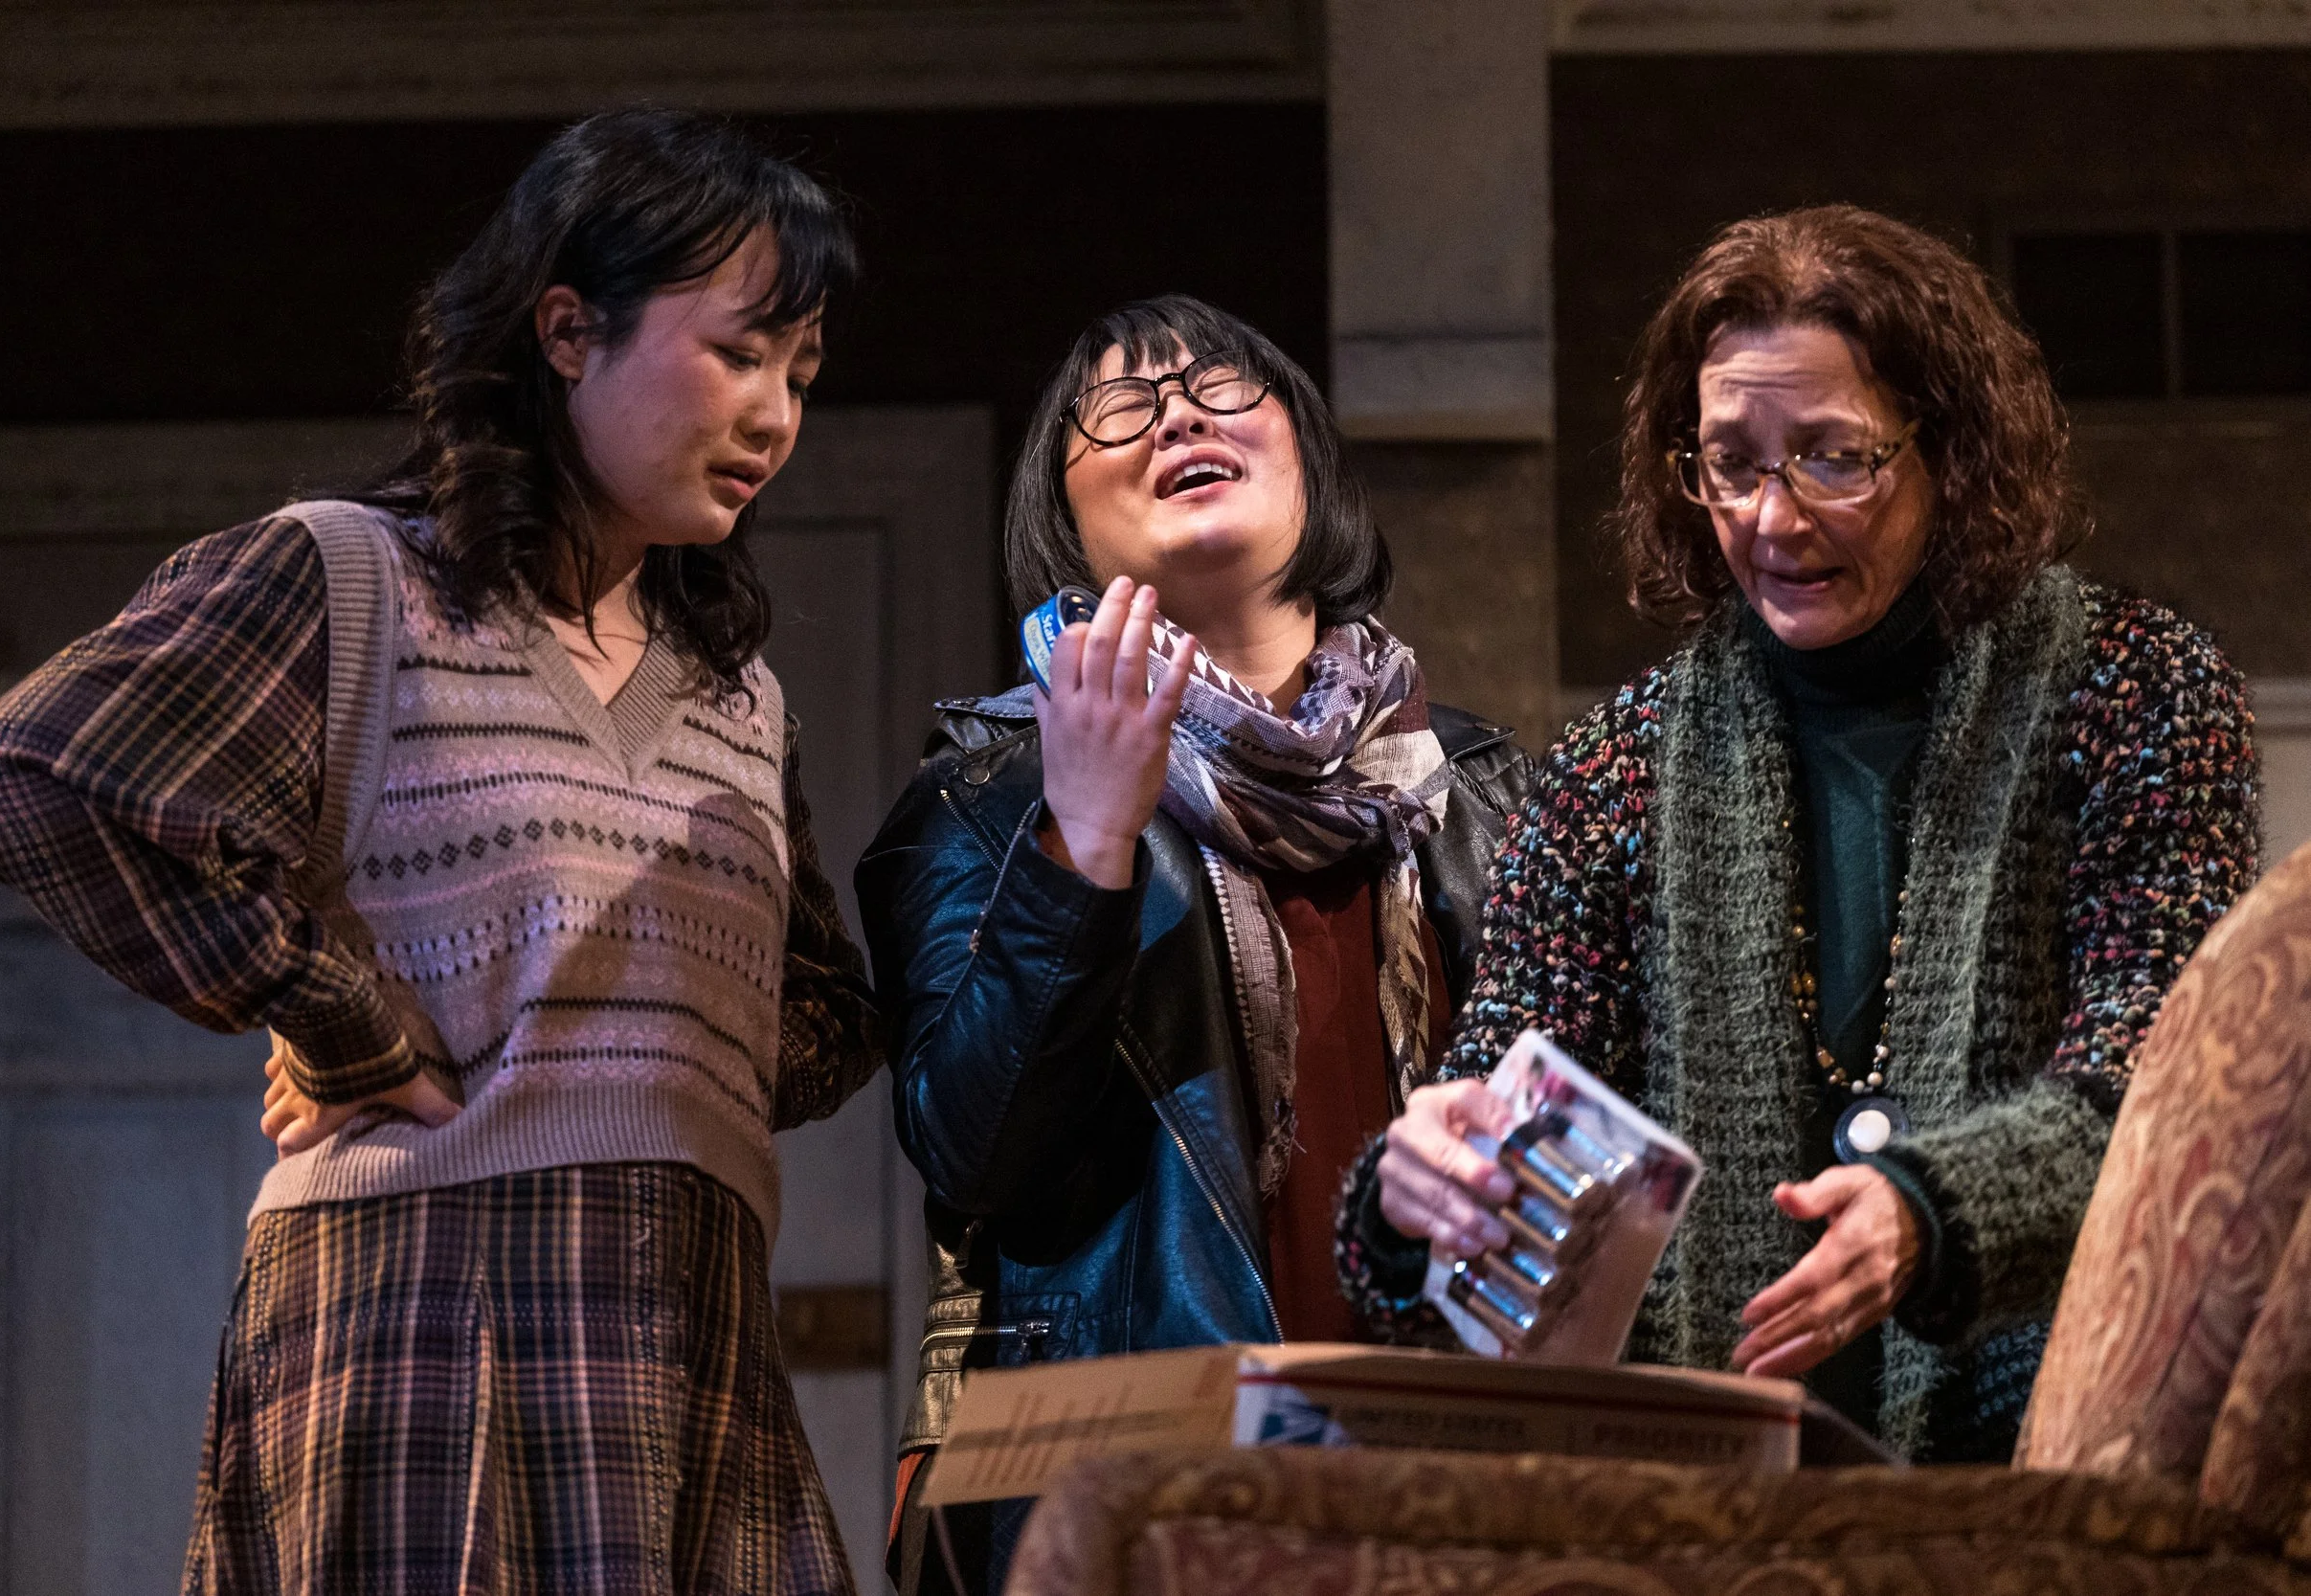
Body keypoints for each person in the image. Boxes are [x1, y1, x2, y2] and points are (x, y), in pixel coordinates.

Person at [0, 110, 884, 1592]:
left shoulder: (734, 696)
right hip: (426, 1329)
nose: (775, 415)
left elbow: (822, 1021)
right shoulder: (360, 582)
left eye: (803, 376)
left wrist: (624, 1027)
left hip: (685, 1334)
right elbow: (20, 773)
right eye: (741, 353)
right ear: (570, 330)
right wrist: (342, 1013)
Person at [1338, 204, 2260, 1463]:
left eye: (1834, 457)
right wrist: (1419, 1195)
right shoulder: (1613, 769)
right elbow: (1512, 1115)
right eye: (1730, 462)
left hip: (2042, 1480)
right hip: (1706, 1495)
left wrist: (1932, 1214)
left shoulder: (2137, 693)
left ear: (1955, 453)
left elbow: (2165, 1097)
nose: (1772, 518)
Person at [854, 294, 1530, 1592]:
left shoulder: (1479, 780)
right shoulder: (987, 792)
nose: (1176, 412)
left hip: (1445, 1470)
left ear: (1311, 462)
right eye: (1121, 403)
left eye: (1221, 387)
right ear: (1060, 513)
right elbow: (978, 1150)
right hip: (1140, 1486)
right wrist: (1086, 840)